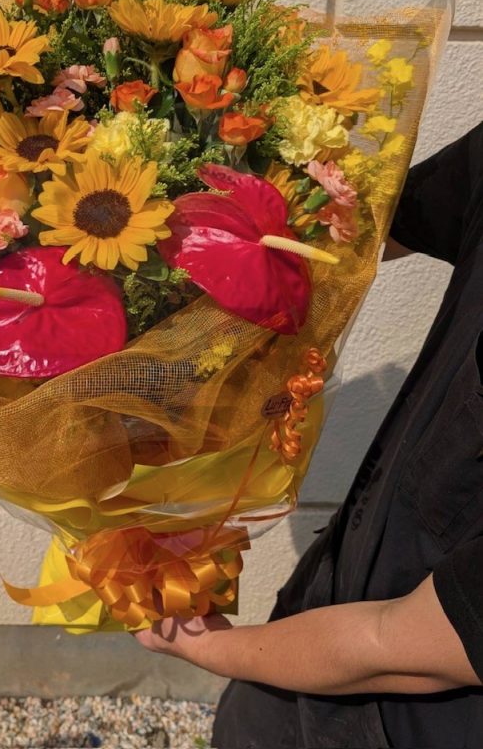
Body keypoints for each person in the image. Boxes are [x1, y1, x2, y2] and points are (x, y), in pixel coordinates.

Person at [134, 121, 483, 749]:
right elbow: (366, 226)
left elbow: (403, 644)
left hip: (412, 720)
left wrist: (211, 648)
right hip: (334, 604)